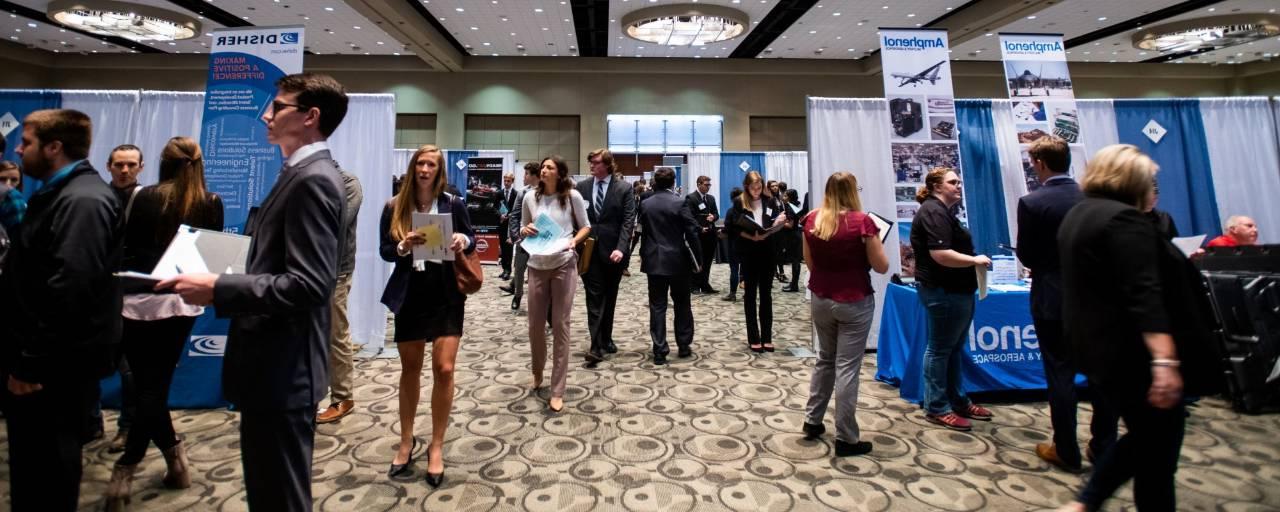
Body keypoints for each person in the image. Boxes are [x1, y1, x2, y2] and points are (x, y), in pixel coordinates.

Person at [161, 73, 348, 510]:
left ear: (310, 117)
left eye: (278, 106)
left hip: (285, 370)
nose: (266, 114)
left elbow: (310, 284)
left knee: (279, 497)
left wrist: (220, 287)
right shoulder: (298, 173)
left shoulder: (313, 179)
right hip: (274, 367)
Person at [1056, 144, 1219, 511]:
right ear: (1132, 179)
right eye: (1150, 178)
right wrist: (1164, 360)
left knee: (1153, 450)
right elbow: (1143, 292)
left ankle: (1087, 501)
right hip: (1136, 356)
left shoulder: (1081, 215)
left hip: (1104, 353)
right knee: (1156, 444)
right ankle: (1086, 501)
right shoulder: (1123, 221)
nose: (1153, 185)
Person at [5, 109, 122, 512]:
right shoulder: (62, 192)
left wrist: (31, 364)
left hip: (54, 367)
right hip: (47, 361)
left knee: (48, 473)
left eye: (27, 141)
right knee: (33, 468)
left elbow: (70, 289)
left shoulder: (83, 200)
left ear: (54, 147)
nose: (18, 149)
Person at [104, 136, 224, 508]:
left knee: (147, 389)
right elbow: (212, 261)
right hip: (183, 301)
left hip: (139, 300)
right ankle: (174, 456)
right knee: (153, 388)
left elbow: (124, 248)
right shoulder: (211, 202)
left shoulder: (143, 196)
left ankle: (126, 468)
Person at [1016, 136, 1116, 472]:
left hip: (1053, 299)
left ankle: (1066, 449)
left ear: (1040, 163)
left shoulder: (1032, 203)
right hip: (1098, 299)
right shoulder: (1096, 198)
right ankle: (1103, 445)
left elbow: (1028, 255)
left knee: (1059, 373)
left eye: (1032, 162)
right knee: (1103, 376)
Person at [379, 144, 474, 488]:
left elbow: (472, 238)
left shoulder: (453, 204)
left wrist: (463, 238)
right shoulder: (395, 206)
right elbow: (385, 250)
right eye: (420, 163)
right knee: (411, 368)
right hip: (412, 293)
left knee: (445, 368)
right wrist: (403, 246)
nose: (424, 169)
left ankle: (436, 445)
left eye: (431, 164)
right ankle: (406, 440)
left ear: (439, 170)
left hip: (446, 293)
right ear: (413, 167)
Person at [801, 172, 888, 457]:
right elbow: (881, 266)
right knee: (847, 368)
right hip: (854, 300)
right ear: (852, 191)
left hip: (821, 297)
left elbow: (810, 263)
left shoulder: (812, 219)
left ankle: (813, 421)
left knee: (825, 360)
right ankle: (846, 437)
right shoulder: (863, 223)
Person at [911, 167, 994, 431]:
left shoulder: (943, 212)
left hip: (955, 289)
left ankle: (957, 399)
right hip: (942, 290)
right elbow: (940, 254)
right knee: (939, 349)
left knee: (953, 348)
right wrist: (974, 260)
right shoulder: (933, 212)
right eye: (953, 182)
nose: (959, 185)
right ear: (937, 186)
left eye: (959, 181)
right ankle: (937, 406)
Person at [521, 155, 590, 412]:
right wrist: (524, 230)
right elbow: (523, 227)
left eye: (549, 167)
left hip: (563, 263)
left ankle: (557, 388)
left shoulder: (572, 197)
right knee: (535, 326)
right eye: (543, 166)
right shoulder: (529, 197)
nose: (544, 169)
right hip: (536, 264)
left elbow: (585, 227)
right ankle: (537, 370)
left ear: (560, 173)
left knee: (561, 324)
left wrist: (574, 241)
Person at [101, 144, 144, 450]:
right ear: (109, 166)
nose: (125, 170)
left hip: (132, 294)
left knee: (130, 369)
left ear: (140, 167)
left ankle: (128, 427)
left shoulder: (148, 200)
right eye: (119, 164)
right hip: (96, 292)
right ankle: (88, 422)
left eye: (131, 164)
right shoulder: (96, 198)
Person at [575, 149, 636, 364]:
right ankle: (596, 345)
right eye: (590, 162)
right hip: (589, 251)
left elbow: (628, 221)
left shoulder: (624, 188)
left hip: (614, 253)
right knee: (594, 297)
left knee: (609, 297)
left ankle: (606, 337)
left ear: (608, 164)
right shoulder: (581, 187)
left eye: (596, 162)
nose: (591, 165)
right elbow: (577, 219)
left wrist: (622, 247)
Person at [639, 167, 701, 364]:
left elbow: (643, 232)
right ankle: (683, 345)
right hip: (678, 260)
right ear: (674, 182)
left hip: (654, 259)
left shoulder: (646, 204)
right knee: (682, 303)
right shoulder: (680, 202)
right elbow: (692, 230)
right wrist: (698, 260)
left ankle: (659, 349)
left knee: (657, 306)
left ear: (655, 182)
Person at [317, 165, 363, 424]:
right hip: (307, 270)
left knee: (337, 333)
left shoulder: (348, 184)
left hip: (336, 271)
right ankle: (310, 395)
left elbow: (334, 224)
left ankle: (343, 397)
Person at [726, 171, 781, 353]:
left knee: (766, 295)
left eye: (759, 187)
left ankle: (767, 337)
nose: (756, 191)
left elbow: (776, 220)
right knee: (750, 295)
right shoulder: (739, 201)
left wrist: (775, 225)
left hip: (768, 250)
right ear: (746, 186)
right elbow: (732, 227)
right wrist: (751, 236)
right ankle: (754, 338)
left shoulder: (770, 200)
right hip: (749, 251)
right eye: (752, 188)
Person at [501, 162, 540, 310]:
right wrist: (516, 237)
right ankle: (517, 295)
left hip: (542, 241)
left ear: (534, 175)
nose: (523, 177)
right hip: (524, 239)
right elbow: (514, 216)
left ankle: (539, 302)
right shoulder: (522, 193)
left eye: (526, 174)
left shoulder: (547, 192)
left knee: (539, 273)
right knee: (519, 269)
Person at [685, 175, 720, 295]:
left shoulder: (711, 198)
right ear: (699, 184)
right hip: (698, 235)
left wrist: (713, 217)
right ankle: (694, 285)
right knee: (696, 261)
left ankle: (705, 284)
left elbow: (716, 213)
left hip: (710, 234)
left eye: (709, 185)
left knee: (708, 261)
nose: (708, 187)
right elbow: (690, 217)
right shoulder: (691, 198)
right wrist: (700, 228)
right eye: (706, 185)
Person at [780, 188, 806, 293]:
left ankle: (794, 285)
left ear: (790, 197)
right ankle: (793, 283)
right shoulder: (794, 206)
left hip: (793, 236)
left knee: (795, 261)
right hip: (796, 235)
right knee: (795, 261)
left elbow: (790, 225)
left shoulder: (790, 207)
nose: (783, 197)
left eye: (785, 195)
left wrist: (779, 223)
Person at [720, 187, 743, 303]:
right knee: (746, 270)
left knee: (734, 269)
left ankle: (732, 293)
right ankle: (748, 292)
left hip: (734, 243)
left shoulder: (730, 211)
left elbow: (727, 229)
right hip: (747, 243)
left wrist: (722, 233)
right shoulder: (748, 210)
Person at [498, 172, 517, 280]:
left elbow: (518, 209)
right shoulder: (499, 193)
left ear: (512, 182)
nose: (506, 183)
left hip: (511, 226)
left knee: (509, 249)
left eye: (508, 181)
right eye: (505, 180)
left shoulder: (516, 194)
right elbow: (493, 207)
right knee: (503, 248)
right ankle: (504, 268)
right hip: (501, 224)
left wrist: (510, 215)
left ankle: (508, 271)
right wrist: (500, 215)